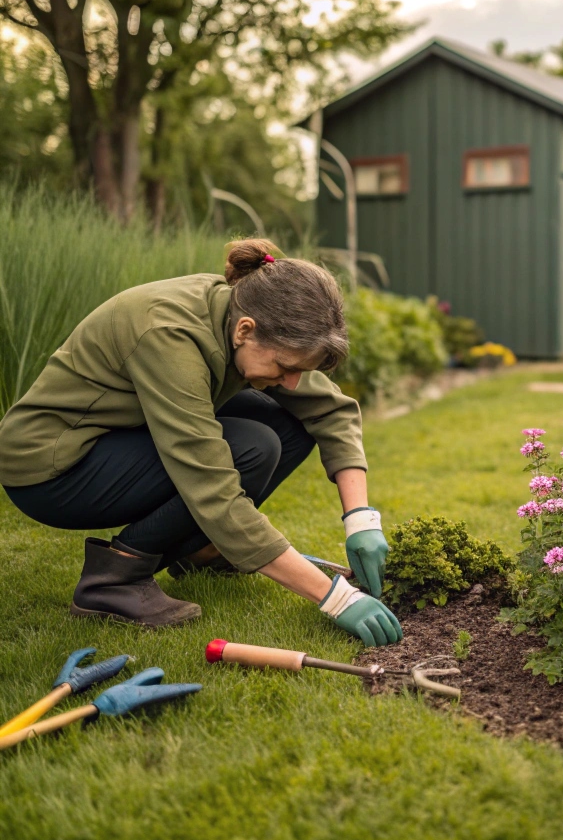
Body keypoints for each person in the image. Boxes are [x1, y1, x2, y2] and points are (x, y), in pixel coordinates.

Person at [0, 239, 402, 647]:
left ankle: (200, 553)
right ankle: (114, 579)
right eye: (285, 367)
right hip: (52, 466)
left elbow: (331, 410)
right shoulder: (169, 336)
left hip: (118, 431)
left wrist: (360, 521)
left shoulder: (242, 311)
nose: (293, 382)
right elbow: (212, 487)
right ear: (246, 331)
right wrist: (336, 597)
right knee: (252, 447)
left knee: (289, 424)